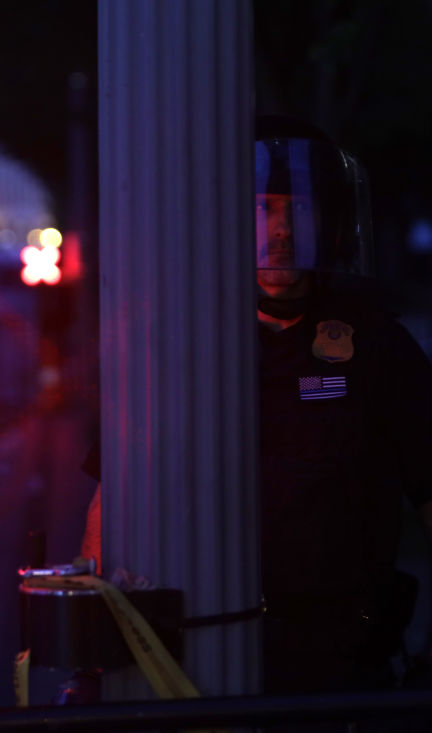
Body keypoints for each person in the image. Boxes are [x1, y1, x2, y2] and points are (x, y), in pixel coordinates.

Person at [254, 115, 432, 693]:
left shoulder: (376, 342)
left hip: (344, 661)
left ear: (329, 221)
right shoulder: (188, 344)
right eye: (262, 208)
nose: (279, 230)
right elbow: (116, 493)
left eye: (298, 210)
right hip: (212, 652)